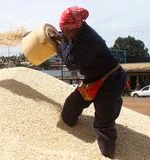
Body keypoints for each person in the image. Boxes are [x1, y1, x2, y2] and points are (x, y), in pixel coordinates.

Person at [55, 6, 126, 158]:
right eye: (62, 29)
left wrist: (58, 44)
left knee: (103, 123)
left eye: (66, 30)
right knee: (70, 109)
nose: (64, 32)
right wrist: (59, 36)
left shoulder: (88, 40)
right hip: (93, 79)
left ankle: (108, 155)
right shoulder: (75, 33)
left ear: (76, 27)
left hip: (111, 80)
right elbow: (66, 37)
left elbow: (70, 63)